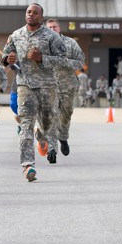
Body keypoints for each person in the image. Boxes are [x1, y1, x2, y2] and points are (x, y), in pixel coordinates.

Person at [1, 3, 66, 182]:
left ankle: (42, 136)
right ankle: (28, 165)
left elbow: (62, 61)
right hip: (25, 86)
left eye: (35, 13)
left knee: (47, 123)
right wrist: (8, 59)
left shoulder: (52, 37)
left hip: (47, 86)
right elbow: (6, 59)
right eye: (29, 12)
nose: (31, 15)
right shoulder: (16, 35)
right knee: (26, 124)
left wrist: (42, 58)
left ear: (41, 17)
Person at [44, 19, 84, 159]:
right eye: (49, 27)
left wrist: (64, 62)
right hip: (49, 86)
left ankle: (63, 137)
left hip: (68, 85)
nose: (52, 29)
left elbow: (80, 63)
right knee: (51, 116)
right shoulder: (41, 44)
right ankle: (52, 150)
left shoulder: (70, 43)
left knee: (66, 114)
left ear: (59, 28)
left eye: (54, 27)